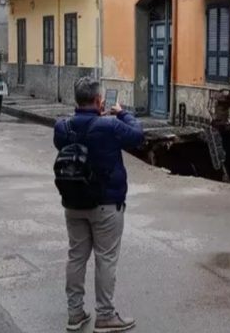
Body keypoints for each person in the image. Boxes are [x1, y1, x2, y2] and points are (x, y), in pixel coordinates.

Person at [53, 77, 144, 332]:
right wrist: (121, 113)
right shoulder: (109, 126)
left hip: (73, 201)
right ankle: (105, 315)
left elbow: (73, 135)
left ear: (76, 100)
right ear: (98, 100)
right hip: (106, 204)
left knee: (76, 257)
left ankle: (75, 314)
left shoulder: (62, 128)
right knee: (105, 259)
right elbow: (137, 135)